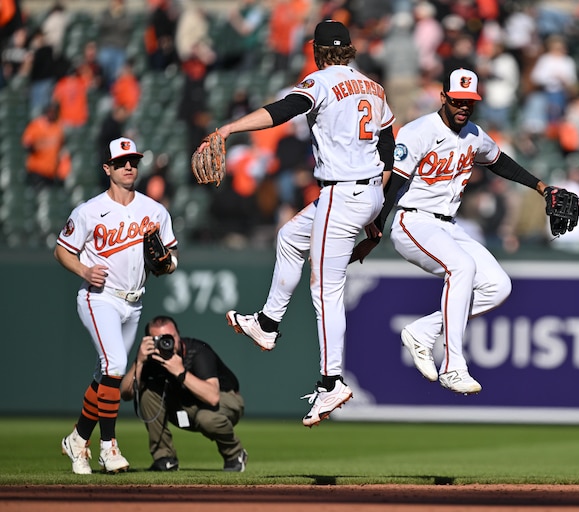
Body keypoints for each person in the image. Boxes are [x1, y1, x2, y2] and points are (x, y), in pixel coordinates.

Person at [204, 20, 395, 427]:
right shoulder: (373, 87)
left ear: (316, 50)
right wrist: (376, 211)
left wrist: (230, 128)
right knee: (290, 237)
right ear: (349, 50)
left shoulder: (321, 81)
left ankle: (332, 381)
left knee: (325, 288)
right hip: (366, 191)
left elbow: (282, 111)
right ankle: (268, 323)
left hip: (342, 193)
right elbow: (388, 146)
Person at [370, 68, 569, 394]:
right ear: (444, 97)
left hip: (448, 225)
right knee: (462, 267)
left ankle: (423, 330)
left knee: (498, 286)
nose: (464, 106)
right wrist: (376, 229)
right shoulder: (417, 131)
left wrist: (541, 187)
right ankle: (453, 366)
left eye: (470, 101)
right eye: (458, 100)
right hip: (413, 221)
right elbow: (395, 184)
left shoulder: (473, 134)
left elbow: (500, 161)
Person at [55, 137, 178, 474]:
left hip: (134, 303)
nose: (129, 166)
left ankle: (78, 439)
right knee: (115, 365)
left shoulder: (154, 211)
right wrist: (83, 269)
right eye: (121, 161)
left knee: (105, 375)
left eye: (133, 161)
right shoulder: (88, 211)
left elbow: (170, 261)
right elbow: (62, 249)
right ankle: (108, 448)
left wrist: (166, 263)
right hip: (100, 297)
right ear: (107, 168)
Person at [119, 316, 247, 472]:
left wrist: (180, 372)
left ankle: (235, 454)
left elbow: (213, 397)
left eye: (170, 337)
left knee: (207, 418)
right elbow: (126, 394)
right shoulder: (150, 358)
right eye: (158, 339)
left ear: (178, 336)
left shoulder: (198, 351)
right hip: (185, 404)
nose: (166, 343)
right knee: (147, 392)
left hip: (225, 400)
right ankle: (165, 458)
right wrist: (138, 362)